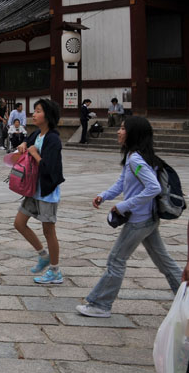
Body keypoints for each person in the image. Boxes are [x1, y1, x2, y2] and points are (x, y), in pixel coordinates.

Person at [78, 117, 182, 317]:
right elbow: (122, 183)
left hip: (139, 220)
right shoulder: (136, 157)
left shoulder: (135, 158)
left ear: (133, 134)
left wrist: (124, 205)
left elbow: (154, 188)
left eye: (123, 128)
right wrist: (104, 195)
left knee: (116, 259)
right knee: (164, 261)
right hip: (149, 218)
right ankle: (185, 297)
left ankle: (100, 305)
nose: (118, 131)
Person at [13, 98, 65, 285]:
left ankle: (55, 270)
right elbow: (27, 143)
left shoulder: (53, 139)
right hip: (33, 189)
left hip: (47, 191)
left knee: (48, 230)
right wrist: (24, 146)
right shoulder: (36, 134)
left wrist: (35, 154)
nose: (33, 114)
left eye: (38, 111)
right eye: (34, 111)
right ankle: (43, 255)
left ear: (48, 115)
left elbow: (50, 168)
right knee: (19, 223)